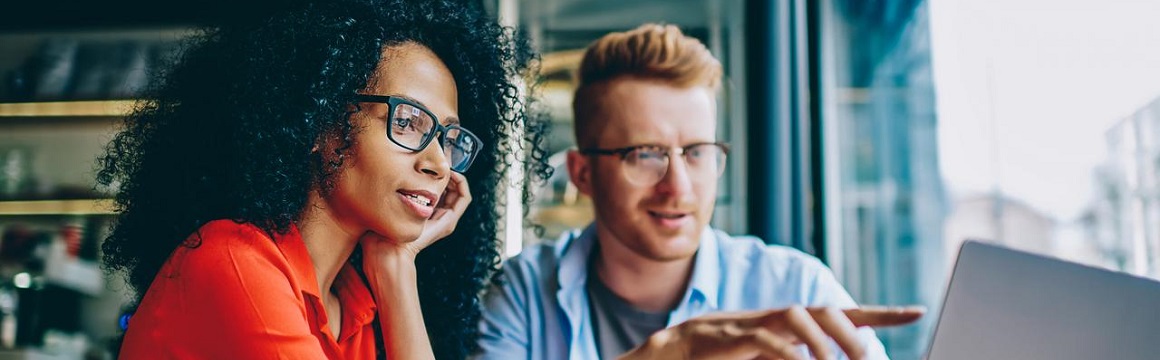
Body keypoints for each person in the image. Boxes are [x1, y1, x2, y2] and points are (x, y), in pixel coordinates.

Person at [97, 0, 547, 358]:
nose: (439, 163)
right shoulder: (233, 263)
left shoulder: (350, 305)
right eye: (408, 121)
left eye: (449, 138)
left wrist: (396, 268)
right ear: (321, 127)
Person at [475, 24, 922, 360]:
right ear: (582, 172)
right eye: (645, 154)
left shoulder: (796, 288)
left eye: (696, 152)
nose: (678, 187)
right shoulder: (523, 292)